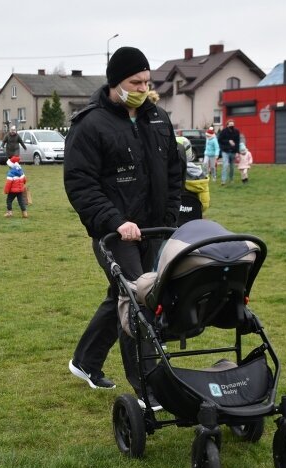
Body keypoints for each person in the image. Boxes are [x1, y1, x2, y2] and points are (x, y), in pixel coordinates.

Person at [63, 46, 181, 398]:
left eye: (147, 80)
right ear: (116, 82)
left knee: (123, 293)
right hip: (115, 232)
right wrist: (115, 222)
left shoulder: (158, 118)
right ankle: (149, 389)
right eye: (135, 81)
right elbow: (81, 185)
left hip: (155, 229)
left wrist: (172, 217)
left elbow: (173, 172)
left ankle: (85, 361)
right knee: (137, 299)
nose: (144, 87)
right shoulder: (90, 126)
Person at [176, 136, 210, 225]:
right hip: (193, 219)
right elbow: (205, 204)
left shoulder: (166, 172)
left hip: (172, 219)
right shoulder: (199, 174)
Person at [217, 119, 241, 186]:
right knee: (225, 165)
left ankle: (231, 179)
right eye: (230, 125)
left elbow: (238, 142)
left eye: (232, 125)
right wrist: (228, 141)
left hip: (233, 151)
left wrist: (237, 152)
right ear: (227, 125)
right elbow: (220, 140)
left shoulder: (236, 131)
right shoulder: (224, 131)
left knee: (232, 167)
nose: (231, 126)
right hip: (225, 151)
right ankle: (223, 181)